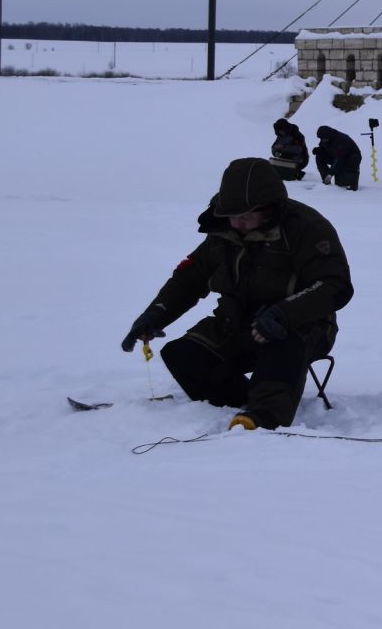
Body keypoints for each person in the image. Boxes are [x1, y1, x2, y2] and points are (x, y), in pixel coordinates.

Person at [119, 157, 352, 431]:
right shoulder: (221, 232)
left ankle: (265, 417)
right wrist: (155, 314)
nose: (238, 223)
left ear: (269, 208)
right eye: (232, 215)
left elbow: (334, 284)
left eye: (246, 216)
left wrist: (284, 314)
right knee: (182, 354)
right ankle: (237, 402)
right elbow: (189, 279)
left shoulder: (306, 227)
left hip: (302, 324)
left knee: (279, 342)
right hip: (235, 322)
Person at [313, 124, 363, 190]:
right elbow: (324, 148)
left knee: (342, 183)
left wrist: (330, 174)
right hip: (337, 157)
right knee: (319, 157)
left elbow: (339, 158)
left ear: (328, 136)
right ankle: (326, 180)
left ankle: (353, 184)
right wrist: (319, 150)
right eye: (321, 138)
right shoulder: (326, 139)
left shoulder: (341, 140)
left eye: (323, 138)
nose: (322, 140)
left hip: (350, 159)